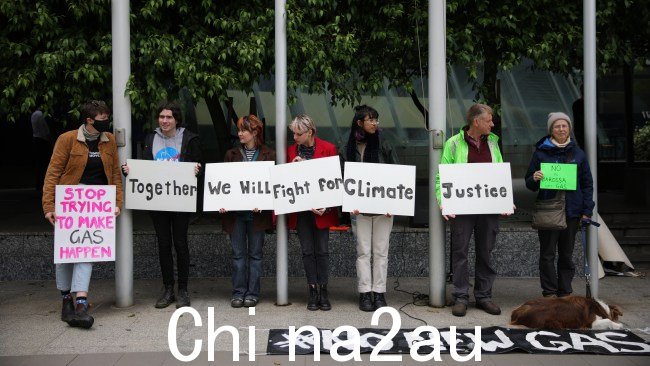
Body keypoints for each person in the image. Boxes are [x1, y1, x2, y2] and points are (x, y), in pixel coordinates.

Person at [42, 100, 123, 328]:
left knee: (86, 251)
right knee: (66, 255)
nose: (106, 122)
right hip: (70, 203)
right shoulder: (67, 139)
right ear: (89, 120)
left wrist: (117, 202)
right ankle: (66, 299)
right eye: (102, 119)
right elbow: (53, 173)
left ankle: (81, 303)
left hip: (95, 206)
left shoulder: (109, 142)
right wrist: (49, 206)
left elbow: (115, 175)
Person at [122, 101, 202, 309]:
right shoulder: (150, 138)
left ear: (177, 120)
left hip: (180, 200)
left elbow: (199, 166)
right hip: (157, 201)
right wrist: (131, 171)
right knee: (163, 244)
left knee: (181, 244)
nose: (165, 121)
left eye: (169, 117)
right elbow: (144, 166)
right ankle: (168, 289)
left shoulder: (189, 138)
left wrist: (197, 171)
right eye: (162, 117)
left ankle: (182, 290)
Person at [436, 103, 505, 317]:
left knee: (486, 251)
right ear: (476, 122)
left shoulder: (493, 143)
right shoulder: (454, 143)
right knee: (460, 252)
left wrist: (504, 198)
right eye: (489, 120)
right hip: (462, 208)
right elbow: (442, 176)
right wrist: (443, 201)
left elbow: (500, 173)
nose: (492, 124)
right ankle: (461, 296)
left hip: (488, 208)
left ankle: (484, 296)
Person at [525, 112, 595, 298]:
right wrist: (535, 178)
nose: (561, 129)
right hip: (549, 210)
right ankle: (549, 292)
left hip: (572, 212)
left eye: (565, 126)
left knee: (566, 255)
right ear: (551, 130)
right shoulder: (540, 153)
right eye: (557, 126)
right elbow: (529, 183)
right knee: (547, 255)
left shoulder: (578, 154)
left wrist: (587, 210)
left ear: (569, 128)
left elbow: (587, 184)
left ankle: (565, 292)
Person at [341, 105, 398, 312]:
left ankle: (379, 292)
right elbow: (343, 177)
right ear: (359, 123)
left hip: (384, 209)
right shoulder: (347, 144)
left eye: (376, 120)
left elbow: (397, 173)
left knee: (381, 252)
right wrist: (349, 202)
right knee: (363, 252)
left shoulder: (384, 141)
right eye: (370, 120)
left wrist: (395, 202)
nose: (375, 123)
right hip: (359, 210)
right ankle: (365, 292)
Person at [220, 115, 275, 308]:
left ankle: (252, 293)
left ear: (255, 132)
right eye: (239, 130)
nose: (240, 134)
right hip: (235, 215)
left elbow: (273, 186)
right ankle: (238, 292)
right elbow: (222, 184)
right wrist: (220, 201)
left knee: (255, 255)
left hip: (257, 215)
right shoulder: (231, 154)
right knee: (237, 255)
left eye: (244, 130)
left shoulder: (269, 155)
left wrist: (265, 202)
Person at [287, 114, 339, 311]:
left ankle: (323, 290)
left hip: (322, 211)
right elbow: (284, 182)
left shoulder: (328, 148)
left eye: (298, 134)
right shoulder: (290, 151)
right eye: (293, 133)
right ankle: (312, 290)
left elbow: (334, 180)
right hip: (301, 210)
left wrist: (328, 204)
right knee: (307, 251)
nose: (295, 138)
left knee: (322, 251)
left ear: (310, 132)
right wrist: (291, 168)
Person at [31, 109, 53, 191]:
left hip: (36, 139)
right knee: (44, 164)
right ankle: (43, 184)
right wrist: (51, 142)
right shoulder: (41, 114)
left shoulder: (33, 114)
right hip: (42, 140)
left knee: (39, 164)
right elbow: (46, 130)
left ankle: (39, 185)